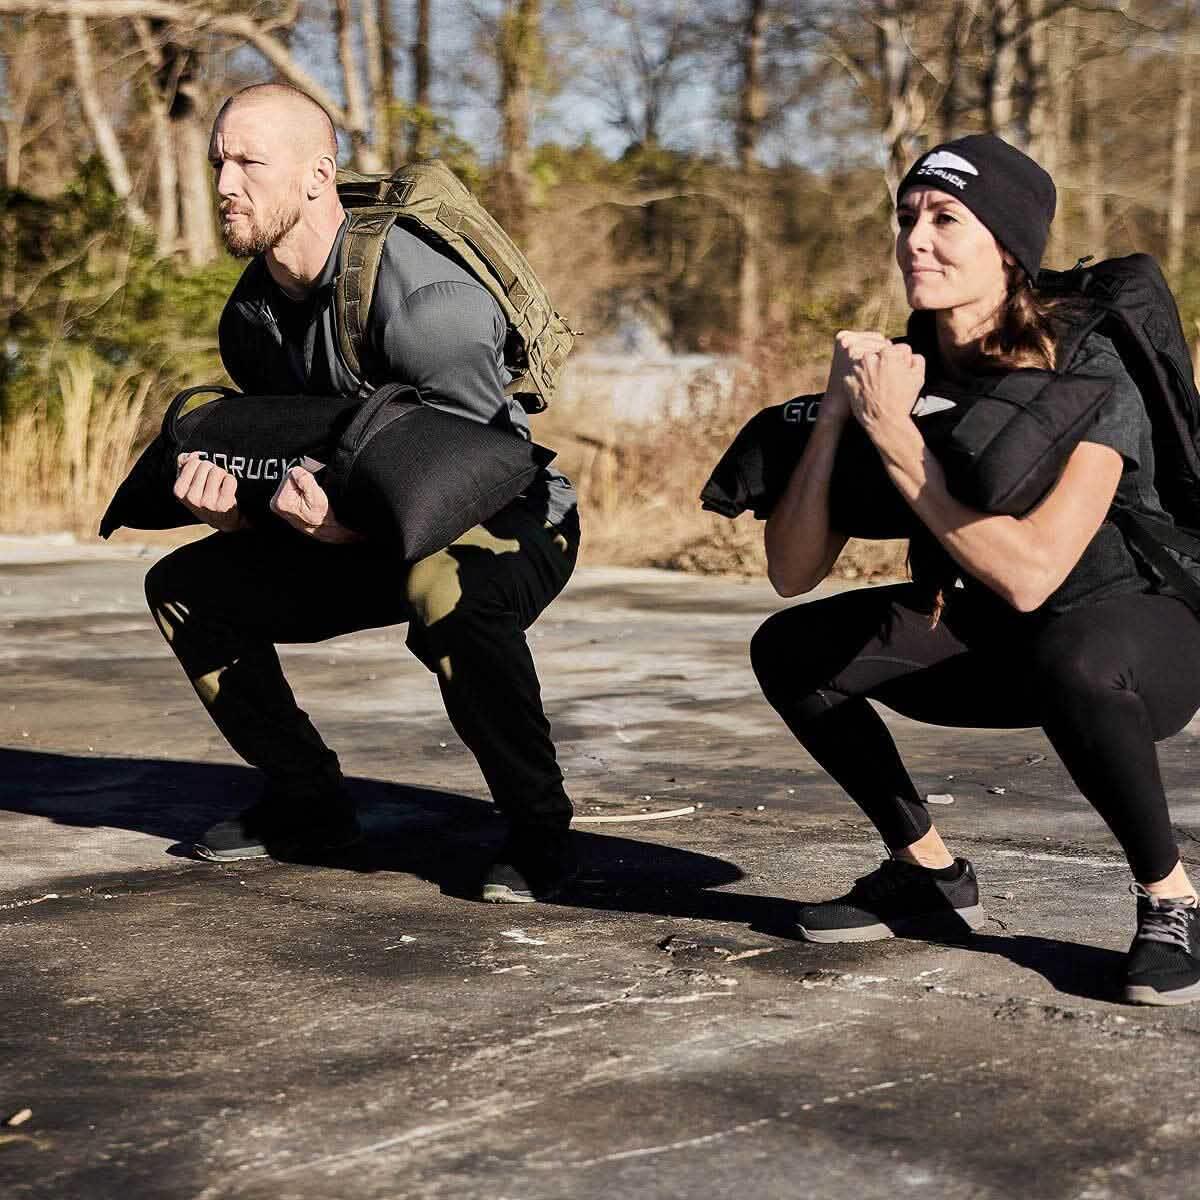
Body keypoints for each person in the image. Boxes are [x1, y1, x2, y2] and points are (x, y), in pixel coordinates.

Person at [750, 133, 1200, 1005]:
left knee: (1074, 653)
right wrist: (842, 413)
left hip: (1137, 638)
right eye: (907, 217)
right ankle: (926, 873)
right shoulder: (903, 368)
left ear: (1008, 249)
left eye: (946, 219)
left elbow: (1034, 574)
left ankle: (1169, 898)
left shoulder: (1090, 365)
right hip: (995, 641)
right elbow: (791, 570)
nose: (915, 238)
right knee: (793, 647)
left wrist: (897, 439)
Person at [144, 82, 580, 904]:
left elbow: (473, 477)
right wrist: (236, 518)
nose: (224, 185)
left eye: (249, 163)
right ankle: (308, 803)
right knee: (185, 587)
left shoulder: (428, 304)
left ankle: (539, 830)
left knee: (447, 591)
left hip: (506, 514)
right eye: (218, 163)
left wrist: (343, 533)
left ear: (318, 175)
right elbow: (291, 460)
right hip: (356, 523)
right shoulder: (251, 320)